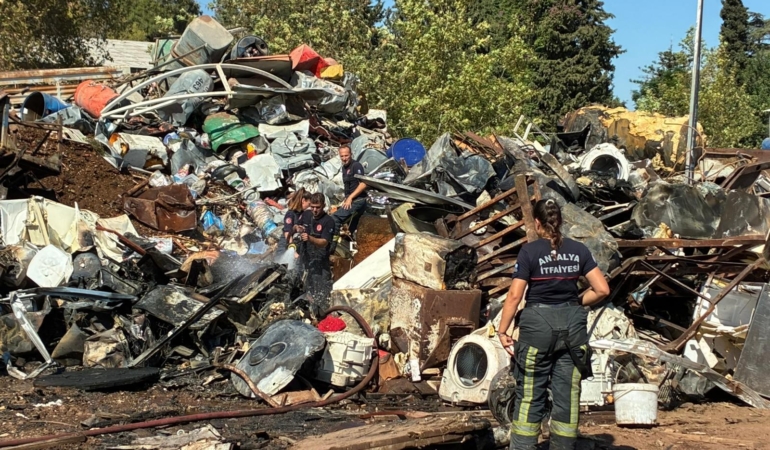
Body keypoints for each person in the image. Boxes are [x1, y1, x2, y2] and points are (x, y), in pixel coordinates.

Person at [497, 199, 610, 450]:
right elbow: (602, 289)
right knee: (568, 396)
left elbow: (515, 296)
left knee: (530, 396)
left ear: (538, 223)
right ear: (560, 221)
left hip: (537, 332)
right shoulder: (579, 250)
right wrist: (576, 301)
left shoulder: (529, 252)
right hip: (573, 334)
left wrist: (502, 330)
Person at [300, 192, 335, 312]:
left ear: (324, 205)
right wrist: (297, 229)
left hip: (320, 261)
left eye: (318, 207)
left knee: (321, 290)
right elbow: (296, 226)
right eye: (312, 207)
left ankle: (323, 313)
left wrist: (310, 238)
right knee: (305, 287)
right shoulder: (306, 215)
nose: (314, 210)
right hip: (306, 258)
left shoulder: (328, 221)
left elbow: (324, 242)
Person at [331, 145, 367, 251]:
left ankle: (332, 248)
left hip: (358, 200)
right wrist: (346, 199)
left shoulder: (356, 166)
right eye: (342, 156)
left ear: (351, 154)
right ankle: (351, 250)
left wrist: (350, 197)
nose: (344, 158)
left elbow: (363, 184)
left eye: (346, 155)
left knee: (336, 218)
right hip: (351, 200)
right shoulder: (344, 168)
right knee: (352, 227)